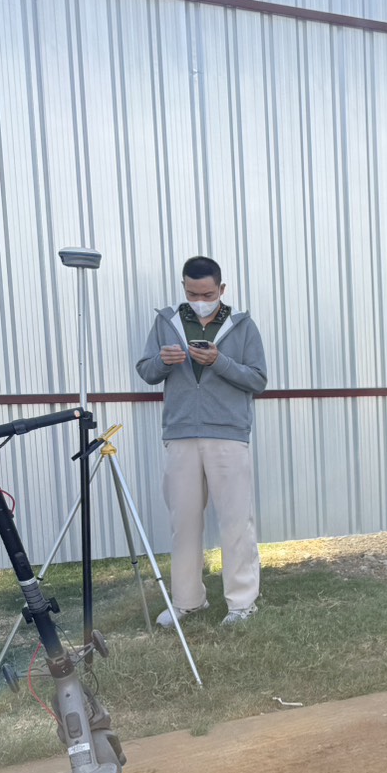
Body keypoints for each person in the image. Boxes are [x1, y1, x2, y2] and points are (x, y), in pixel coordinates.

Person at [135, 255, 268, 627]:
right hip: (180, 434)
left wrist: (218, 362)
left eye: (207, 294)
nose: (199, 300)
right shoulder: (166, 322)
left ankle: (242, 604)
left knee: (236, 521)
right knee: (184, 522)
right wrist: (162, 361)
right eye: (192, 293)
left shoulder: (243, 325)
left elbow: (257, 380)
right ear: (184, 287)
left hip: (228, 434)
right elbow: (146, 371)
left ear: (221, 289)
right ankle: (187, 601)